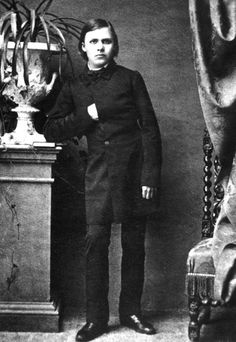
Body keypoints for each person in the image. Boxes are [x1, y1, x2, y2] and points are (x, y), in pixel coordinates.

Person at [44, 18, 162, 342]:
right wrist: (88, 116)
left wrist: (150, 175)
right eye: (94, 42)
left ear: (114, 46)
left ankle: (132, 312)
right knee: (96, 244)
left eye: (106, 42)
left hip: (134, 173)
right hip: (98, 174)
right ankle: (97, 320)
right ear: (83, 47)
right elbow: (51, 129)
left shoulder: (131, 79)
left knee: (134, 245)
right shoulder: (74, 86)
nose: (100, 47)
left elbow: (150, 129)